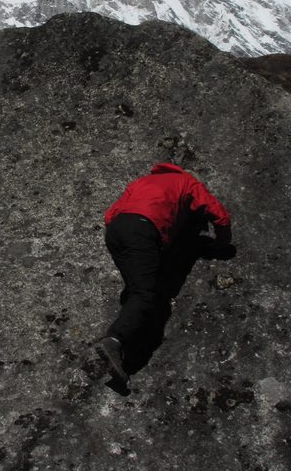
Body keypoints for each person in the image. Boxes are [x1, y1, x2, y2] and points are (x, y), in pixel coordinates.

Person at [98, 162, 232, 384]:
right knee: (144, 295)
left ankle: (124, 347)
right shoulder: (188, 182)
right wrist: (222, 244)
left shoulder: (142, 181)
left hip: (116, 230)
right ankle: (114, 340)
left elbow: (110, 214)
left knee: (137, 290)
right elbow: (218, 214)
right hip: (143, 228)